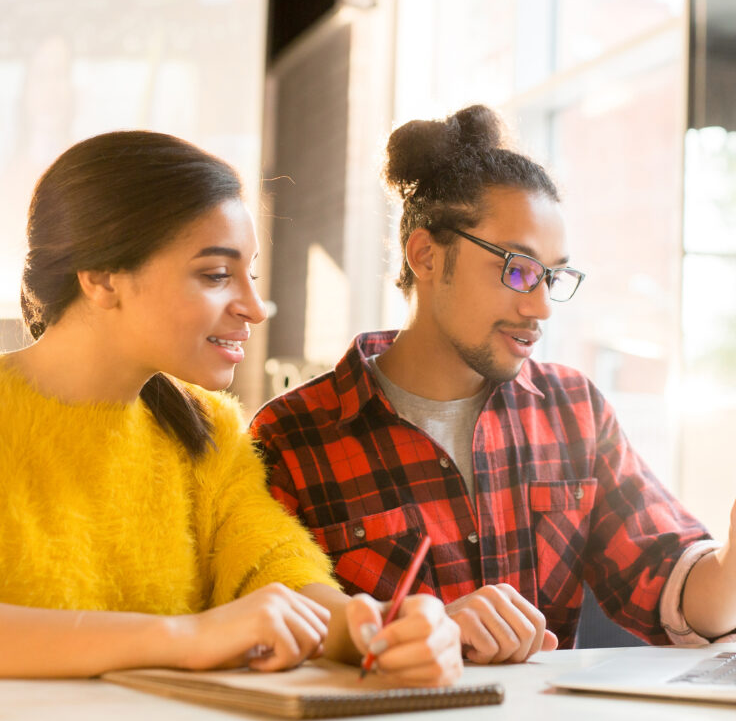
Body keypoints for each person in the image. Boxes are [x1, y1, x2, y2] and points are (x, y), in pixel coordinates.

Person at [251, 104, 736, 664]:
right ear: (426, 255)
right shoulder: (290, 436)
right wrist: (425, 630)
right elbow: (272, 630)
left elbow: (674, 593)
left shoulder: (572, 410)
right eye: (517, 268)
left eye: (553, 276)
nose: (540, 306)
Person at [0, 130, 462, 683]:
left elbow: (271, 566)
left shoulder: (206, 430)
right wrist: (187, 638)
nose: (252, 306)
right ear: (102, 278)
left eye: (251, 275)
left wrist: (378, 628)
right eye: (216, 275)